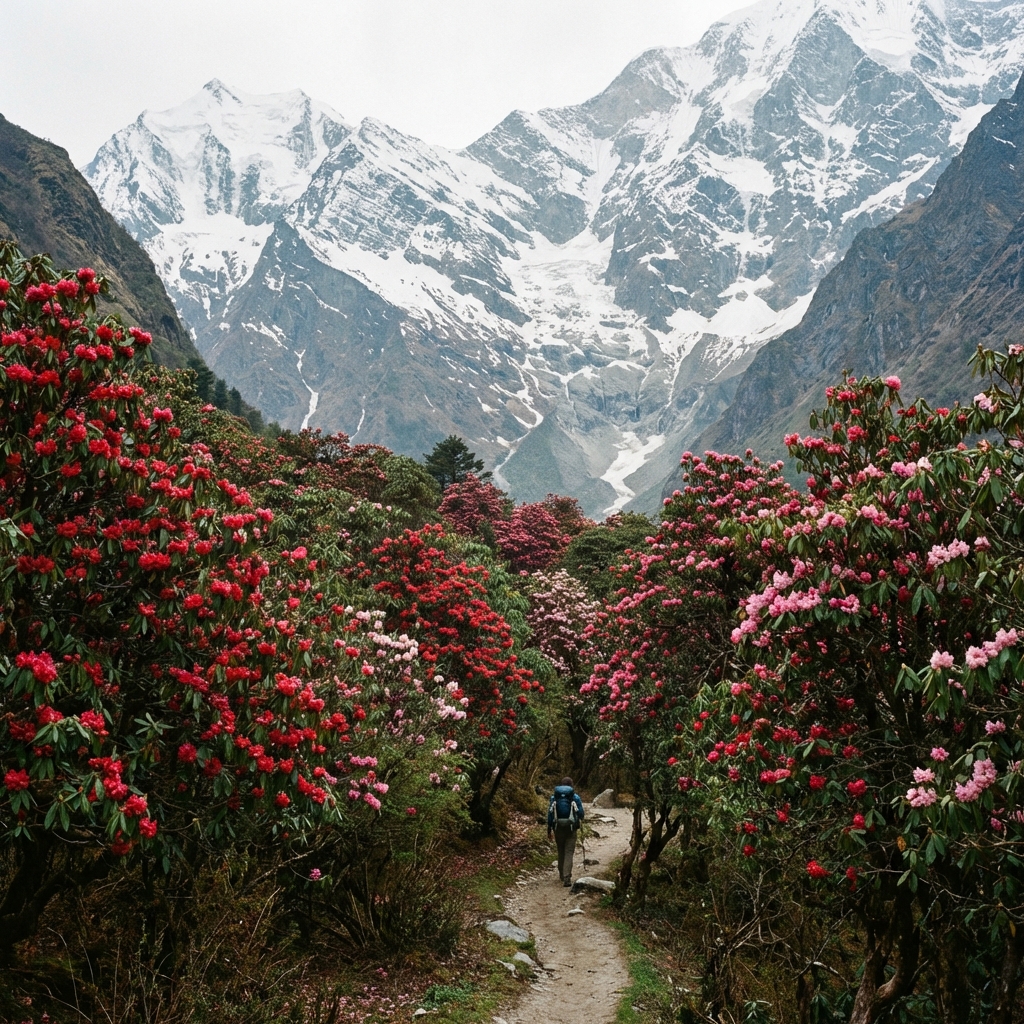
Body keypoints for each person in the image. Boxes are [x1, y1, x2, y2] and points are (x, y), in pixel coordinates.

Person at [547, 776, 585, 887]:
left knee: (560, 850)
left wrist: (549, 829)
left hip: (558, 828)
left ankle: (561, 874)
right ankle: (567, 876)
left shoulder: (554, 797)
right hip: (571, 828)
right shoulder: (575, 797)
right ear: (571, 786)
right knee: (569, 851)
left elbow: (550, 814)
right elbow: (581, 814)